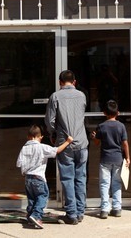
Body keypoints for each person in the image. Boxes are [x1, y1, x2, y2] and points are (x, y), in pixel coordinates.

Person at [45, 69, 89, 225]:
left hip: (65, 143)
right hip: (82, 142)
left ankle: (72, 213)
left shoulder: (55, 96)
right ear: (74, 82)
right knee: (81, 177)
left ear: (60, 82)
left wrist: (53, 133)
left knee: (67, 178)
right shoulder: (82, 95)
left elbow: (50, 120)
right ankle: (80, 211)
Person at [16, 125, 74, 229]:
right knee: (42, 196)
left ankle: (30, 216)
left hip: (28, 178)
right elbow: (56, 151)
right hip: (38, 177)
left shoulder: (24, 148)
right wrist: (68, 141)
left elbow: (19, 163)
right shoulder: (42, 147)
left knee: (32, 199)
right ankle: (36, 216)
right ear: (41, 137)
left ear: (28, 136)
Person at [90, 99, 130, 219]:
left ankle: (104, 209)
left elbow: (97, 143)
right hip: (118, 158)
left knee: (104, 184)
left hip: (105, 159)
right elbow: (125, 143)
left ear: (104, 113)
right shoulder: (121, 126)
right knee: (116, 183)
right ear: (117, 113)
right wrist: (127, 157)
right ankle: (117, 208)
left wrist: (94, 137)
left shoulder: (101, 126)